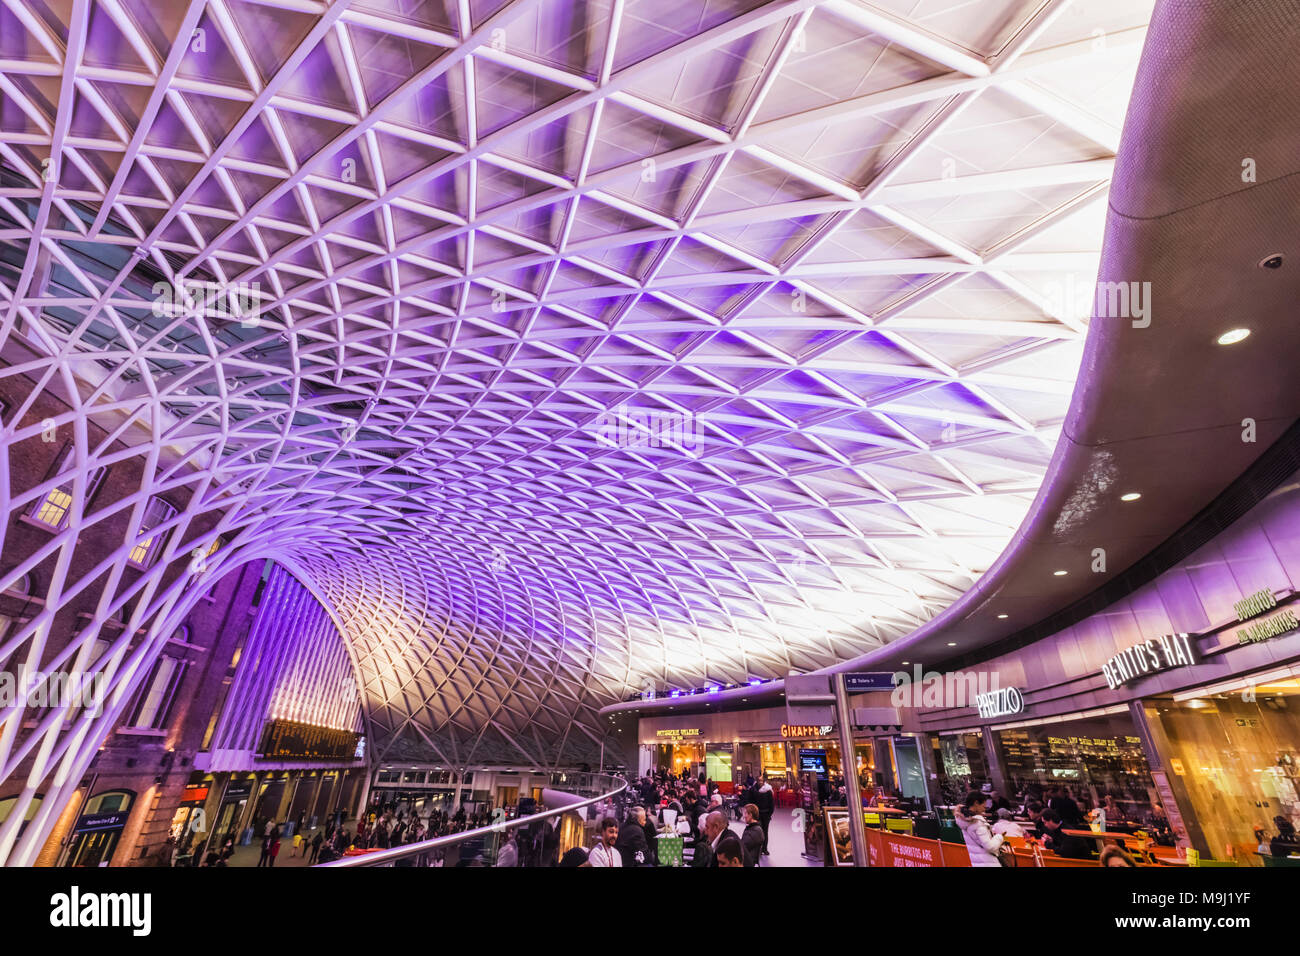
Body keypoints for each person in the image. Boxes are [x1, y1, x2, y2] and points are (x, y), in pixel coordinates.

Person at [955, 791, 1004, 867]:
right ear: (976, 803)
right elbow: (990, 846)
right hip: (989, 863)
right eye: (983, 806)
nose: (984, 809)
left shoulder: (964, 820)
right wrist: (999, 837)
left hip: (977, 863)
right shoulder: (977, 823)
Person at [754, 775, 775, 855]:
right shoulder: (755, 790)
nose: (760, 782)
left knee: (765, 832)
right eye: (759, 780)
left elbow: (771, 804)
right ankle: (758, 849)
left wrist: (769, 814)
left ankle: (764, 848)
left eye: (761, 780)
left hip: (766, 814)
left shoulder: (768, 791)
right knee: (758, 832)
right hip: (758, 814)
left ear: (764, 781)